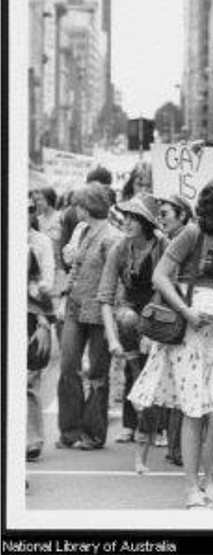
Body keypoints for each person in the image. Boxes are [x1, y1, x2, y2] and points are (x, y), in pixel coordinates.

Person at [132, 173, 213, 509]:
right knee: (194, 409)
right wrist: (186, 311)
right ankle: (191, 489)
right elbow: (160, 276)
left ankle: (210, 482)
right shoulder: (193, 231)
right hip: (190, 326)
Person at [98, 193, 166, 473]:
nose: (126, 222)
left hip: (162, 316)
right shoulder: (119, 248)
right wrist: (112, 338)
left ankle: (162, 434)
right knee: (139, 382)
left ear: (145, 222)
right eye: (125, 217)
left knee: (156, 384)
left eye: (133, 218)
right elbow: (105, 296)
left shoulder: (163, 245)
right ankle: (141, 450)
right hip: (129, 319)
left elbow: (168, 287)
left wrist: (151, 331)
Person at [55, 182, 123, 451]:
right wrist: (64, 295)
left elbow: (116, 280)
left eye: (79, 205)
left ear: (88, 207)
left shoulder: (112, 237)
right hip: (74, 306)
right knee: (67, 367)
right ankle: (69, 431)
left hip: (98, 311)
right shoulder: (81, 230)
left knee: (97, 372)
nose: (76, 209)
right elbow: (75, 268)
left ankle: (93, 434)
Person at [154, 195, 194, 467]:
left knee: (180, 383)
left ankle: (176, 446)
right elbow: (161, 282)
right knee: (178, 383)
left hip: (180, 315)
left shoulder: (186, 238)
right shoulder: (168, 242)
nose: (161, 218)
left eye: (166, 213)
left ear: (182, 215)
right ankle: (175, 446)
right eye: (160, 213)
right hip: (174, 317)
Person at [27, 194, 56, 462]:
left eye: (29, 210)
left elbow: (46, 281)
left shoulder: (41, 242)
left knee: (30, 378)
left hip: (33, 316)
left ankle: (32, 441)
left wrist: (44, 319)